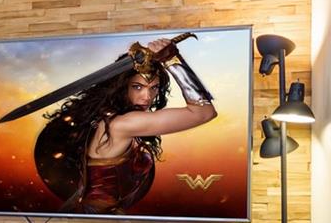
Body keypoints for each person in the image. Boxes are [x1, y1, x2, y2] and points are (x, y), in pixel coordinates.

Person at [33, 37, 217, 213]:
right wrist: (172, 59)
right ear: (122, 86)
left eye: (153, 88)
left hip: (95, 214)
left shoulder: (106, 116)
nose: (147, 97)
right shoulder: (124, 124)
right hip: (100, 217)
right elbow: (204, 112)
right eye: (137, 87)